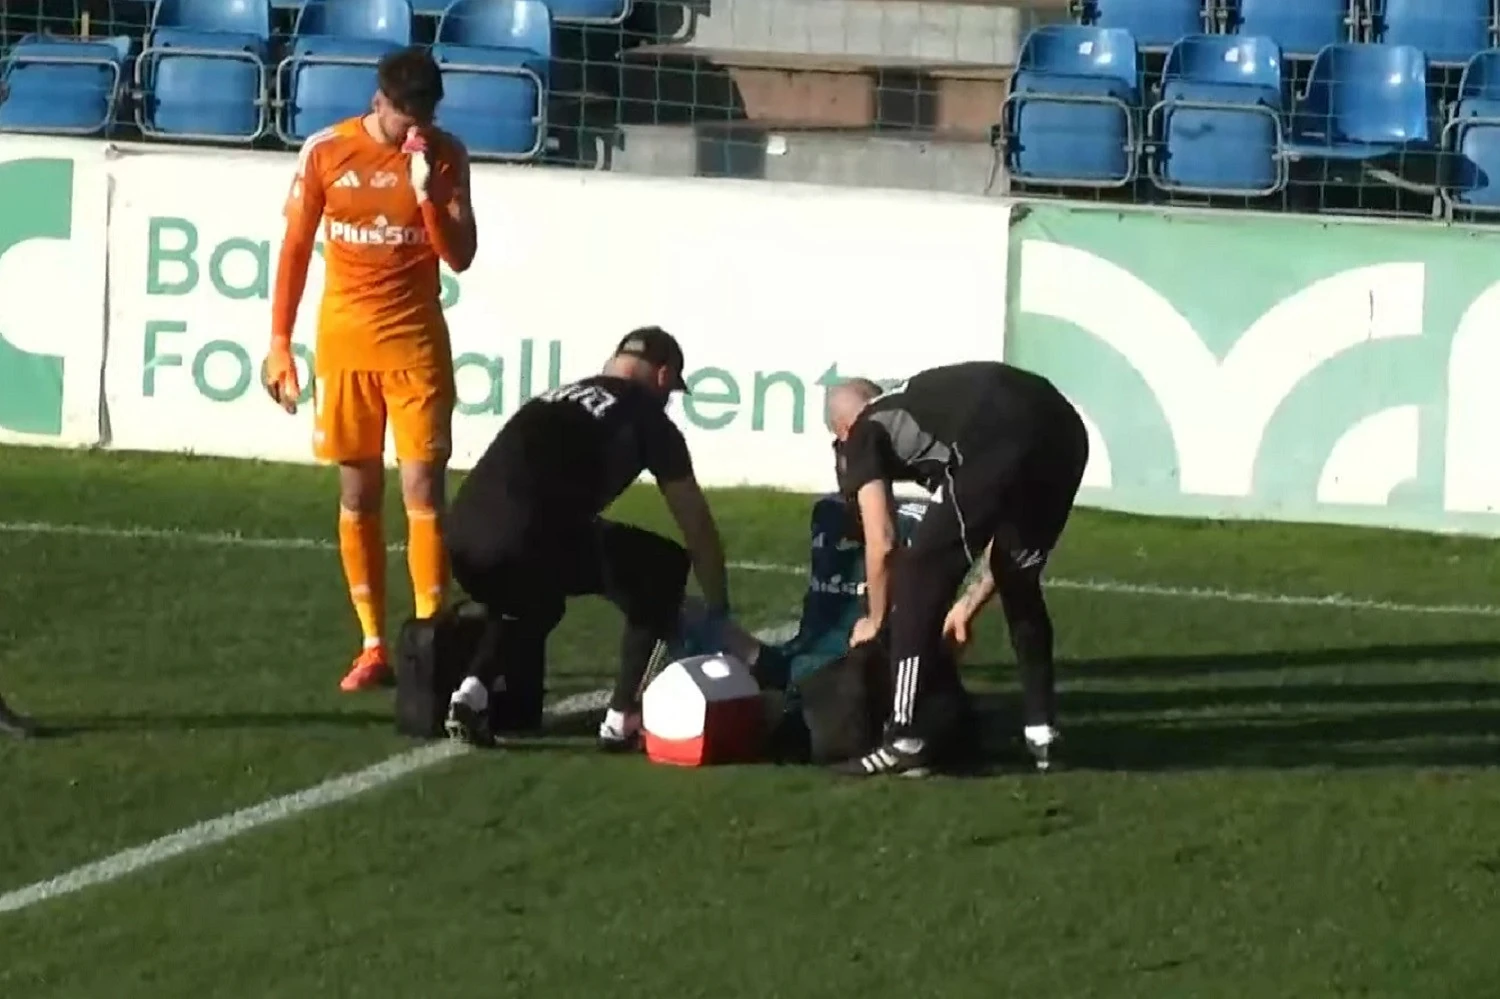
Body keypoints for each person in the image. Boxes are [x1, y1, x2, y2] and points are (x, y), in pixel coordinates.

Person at [262, 46, 477, 692]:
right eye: (405, 116)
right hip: (346, 345)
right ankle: (373, 643)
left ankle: (431, 639)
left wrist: (431, 197)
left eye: (425, 117)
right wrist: (279, 343)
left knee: (423, 487)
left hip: (415, 346)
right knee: (358, 492)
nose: (416, 128)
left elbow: (461, 257)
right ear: (379, 102)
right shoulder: (327, 152)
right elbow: (295, 248)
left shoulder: (445, 154)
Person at [441, 327, 731, 750]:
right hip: (529, 537)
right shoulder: (647, 416)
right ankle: (623, 719)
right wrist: (720, 610)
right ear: (664, 376)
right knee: (662, 567)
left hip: (461, 537)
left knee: (537, 602)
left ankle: (470, 694)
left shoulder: (555, 396)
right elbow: (697, 526)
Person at [824, 361, 1088, 776]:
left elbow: (883, 541)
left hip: (998, 427)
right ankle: (1042, 732)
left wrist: (875, 619)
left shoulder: (863, 429)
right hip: (1064, 429)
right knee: (1018, 576)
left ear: (842, 428)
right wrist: (966, 606)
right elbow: (999, 548)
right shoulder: (926, 409)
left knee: (915, 578)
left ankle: (904, 737)